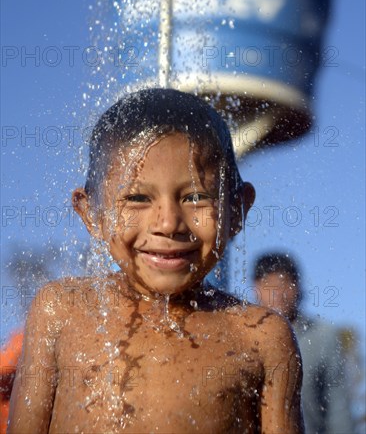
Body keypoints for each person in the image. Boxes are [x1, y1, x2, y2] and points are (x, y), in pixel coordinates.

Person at [8, 88, 304, 433]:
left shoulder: (261, 337)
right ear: (92, 215)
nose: (167, 223)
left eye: (196, 197)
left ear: (236, 209)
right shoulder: (62, 311)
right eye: (137, 198)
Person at [253, 252, 355, 434]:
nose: (278, 294)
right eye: (270, 285)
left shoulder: (323, 337)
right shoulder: (243, 338)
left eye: (284, 285)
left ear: (298, 287)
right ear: (256, 289)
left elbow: (338, 407)